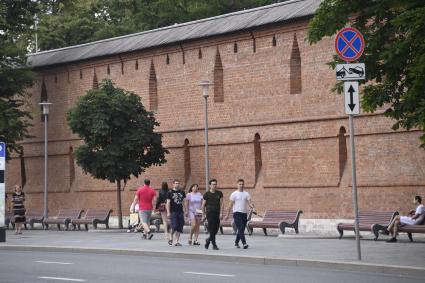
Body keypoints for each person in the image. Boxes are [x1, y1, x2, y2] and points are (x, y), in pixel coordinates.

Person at [225, 179, 255, 249]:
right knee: (241, 228)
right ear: (237, 185)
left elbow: (249, 203)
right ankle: (244, 243)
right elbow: (230, 205)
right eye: (240, 184)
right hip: (236, 213)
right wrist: (227, 215)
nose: (241, 185)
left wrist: (252, 206)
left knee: (241, 229)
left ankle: (236, 242)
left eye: (242, 184)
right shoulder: (234, 194)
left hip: (244, 214)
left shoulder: (246, 194)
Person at [202, 179, 223, 250]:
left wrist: (221, 213)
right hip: (209, 213)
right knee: (212, 229)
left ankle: (208, 240)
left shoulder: (219, 193)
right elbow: (203, 205)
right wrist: (203, 215)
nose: (214, 185)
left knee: (216, 230)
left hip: (217, 213)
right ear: (210, 185)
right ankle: (214, 245)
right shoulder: (207, 194)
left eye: (215, 184)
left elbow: (222, 204)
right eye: (213, 184)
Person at [166, 179, 186, 246]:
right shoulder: (170, 192)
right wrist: (168, 212)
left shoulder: (182, 192)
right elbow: (168, 203)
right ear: (173, 184)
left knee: (180, 226)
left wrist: (185, 210)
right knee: (174, 226)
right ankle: (171, 238)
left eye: (178, 183)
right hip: (173, 211)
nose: (177, 184)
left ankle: (176, 241)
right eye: (176, 183)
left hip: (180, 211)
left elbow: (183, 202)